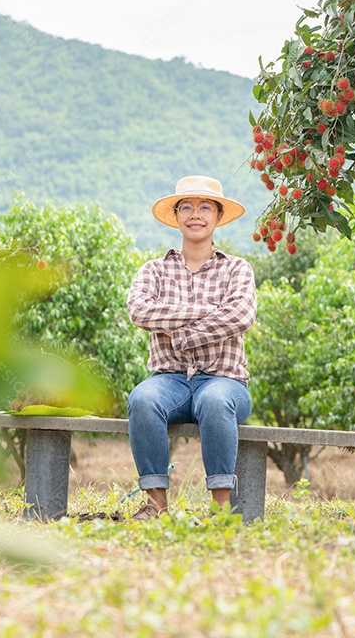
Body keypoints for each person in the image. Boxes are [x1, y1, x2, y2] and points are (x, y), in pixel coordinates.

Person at [125, 176, 256, 520]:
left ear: (217, 216)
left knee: (214, 401)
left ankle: (220, 508)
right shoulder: (153, 270)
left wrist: (181, 335)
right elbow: (140, 310)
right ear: (177, 216)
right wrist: (206, 313)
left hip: (225, 381)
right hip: (170, 380)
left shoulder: (237, 269)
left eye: (204, 207)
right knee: (143, 398)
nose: (194, 214)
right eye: (186, 207)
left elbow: (240, 315)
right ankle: (155, 504)